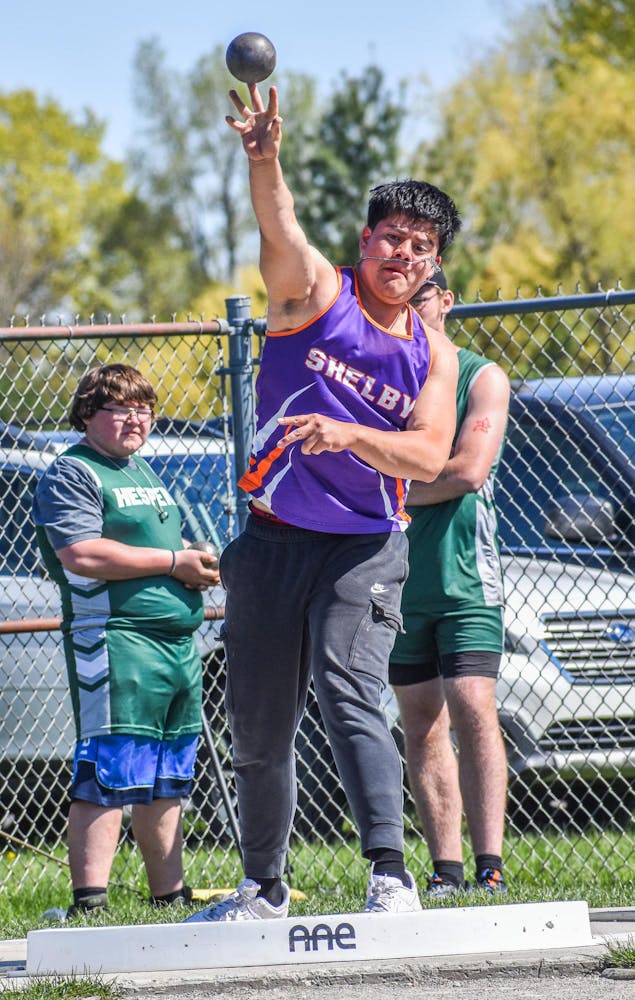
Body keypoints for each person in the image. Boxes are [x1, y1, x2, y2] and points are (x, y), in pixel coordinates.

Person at [184, 82, 462, 924]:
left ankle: (390, 877)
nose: (402, 255)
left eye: (420, 247)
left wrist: (349, 436)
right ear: (365, 240)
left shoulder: (432, 353)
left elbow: (427, 456)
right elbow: (280, 228)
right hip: (271, 542)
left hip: (363, 547)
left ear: (433, 264)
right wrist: (264, 159)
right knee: (258, 726)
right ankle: (262, 888)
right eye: (392, 238)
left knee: (349, 696)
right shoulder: (313, 294)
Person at [32, 363, 219, 917]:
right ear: (88, 414)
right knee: (109, 770)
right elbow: (83, 554)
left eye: (145, 410)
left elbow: (155, 543)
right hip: (117, 641)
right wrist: (173, 561)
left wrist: (192, 559)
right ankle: (90, 903)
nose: (137, 419)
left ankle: (169, 897)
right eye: (122, 409)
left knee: (167, 776)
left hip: (176, 646)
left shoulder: (140, 470)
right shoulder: (73, 472)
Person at [388, 269, 511, 897]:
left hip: (464, 578)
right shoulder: (382, 377)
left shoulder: (479, 376)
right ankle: (447, 869)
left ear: (446, 301)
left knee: (472, 703)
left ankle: (490, 865)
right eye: (399, 299)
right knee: (421, 720)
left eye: (422, 297)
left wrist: (386, 488)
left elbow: (466, 471)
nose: (411, 308)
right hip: (394, 578)